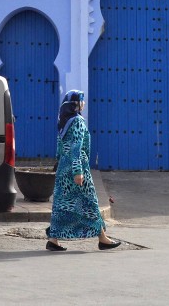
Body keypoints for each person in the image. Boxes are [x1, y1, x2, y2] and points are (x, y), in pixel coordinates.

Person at [44, 90, 121, 251]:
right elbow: (76, 148)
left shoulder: (63, 121)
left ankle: (53, 239)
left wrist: (60, 164)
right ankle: (102, 238)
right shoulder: (78, 121)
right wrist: (78, 171)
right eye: (81, 101)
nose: (83, 103)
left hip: (64, 167)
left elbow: (60, 148)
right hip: (78, 167)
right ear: (76, 104)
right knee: (90, 202)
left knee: (62, 204)